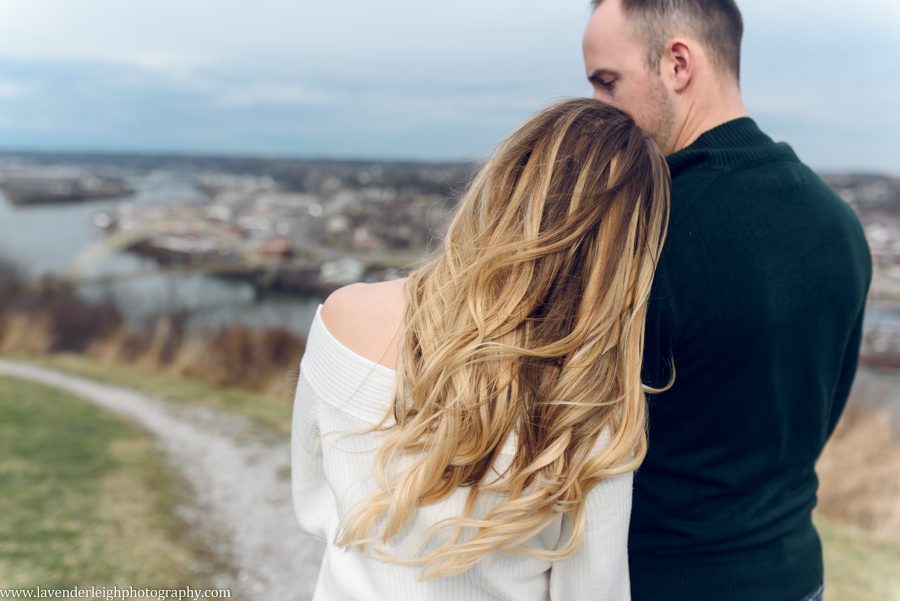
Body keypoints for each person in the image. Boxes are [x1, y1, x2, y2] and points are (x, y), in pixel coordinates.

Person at [290, 98, 671, 600]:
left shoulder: (343, 316)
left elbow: (315, 506)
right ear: (629, 252)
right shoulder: (589, 406)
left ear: (501, 183)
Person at [581, 1, 873, 600]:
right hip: (796, 573)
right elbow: (819, 412)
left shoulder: (644, 232)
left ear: (678, 63)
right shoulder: (838, 224)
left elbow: (580, 450)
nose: (597, 112)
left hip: (666, 581)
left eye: (607, 83)